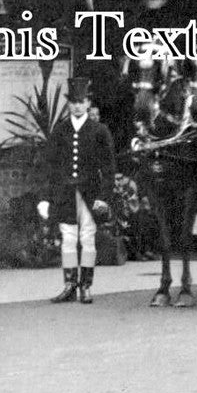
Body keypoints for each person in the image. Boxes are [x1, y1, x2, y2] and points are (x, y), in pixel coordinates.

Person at [39, 78, 118, 303]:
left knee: (88, 238)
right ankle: (69, 285)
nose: (76, 106)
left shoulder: (99, 130)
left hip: (90, 193)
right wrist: (46, 197)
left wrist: (104, 197)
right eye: (73, 101)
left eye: (81, 101)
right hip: (65, 193)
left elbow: (109, 167)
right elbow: (50, 165)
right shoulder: (60, 130)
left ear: (88, 103)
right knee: (68, 238)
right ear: (68, 104)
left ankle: (86, 285)